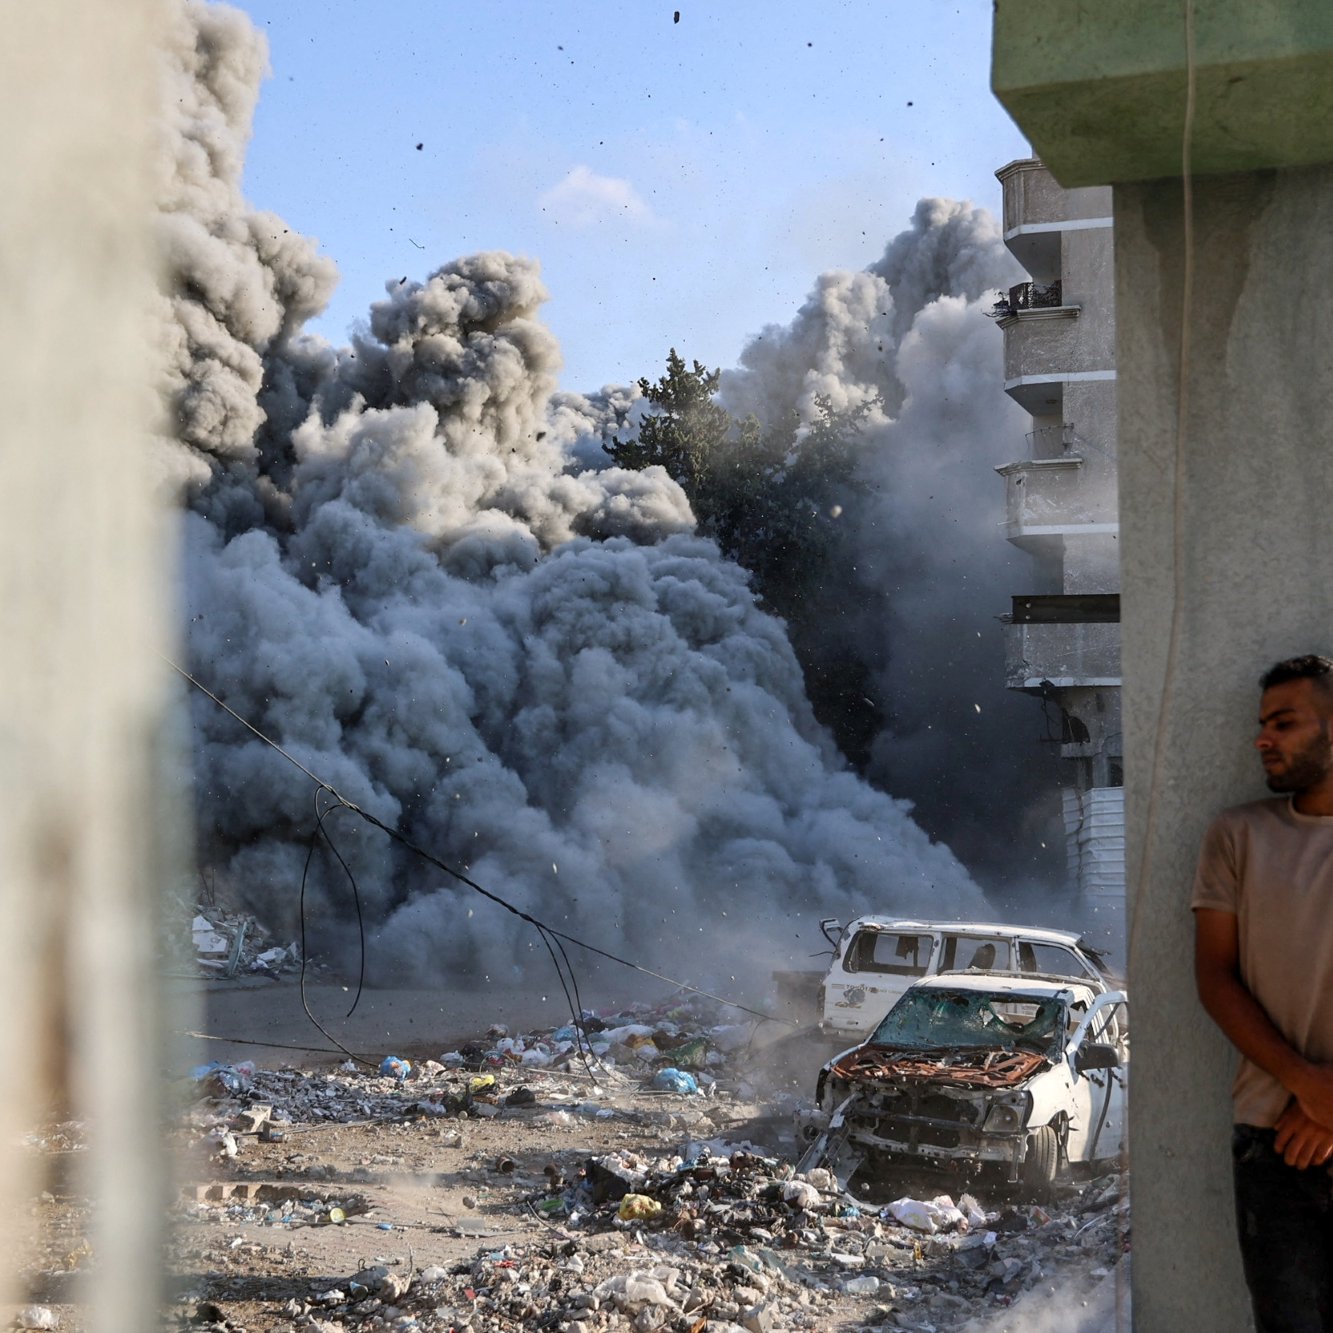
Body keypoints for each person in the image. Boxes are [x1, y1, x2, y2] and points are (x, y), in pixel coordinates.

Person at [1193, 654, 1333, 1333]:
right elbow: (1214, 977)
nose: (1260, 739)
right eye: (1259, 724)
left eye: (1283, 722)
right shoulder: (1237, 835)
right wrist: (1305, 1083)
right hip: (1272, 1147)